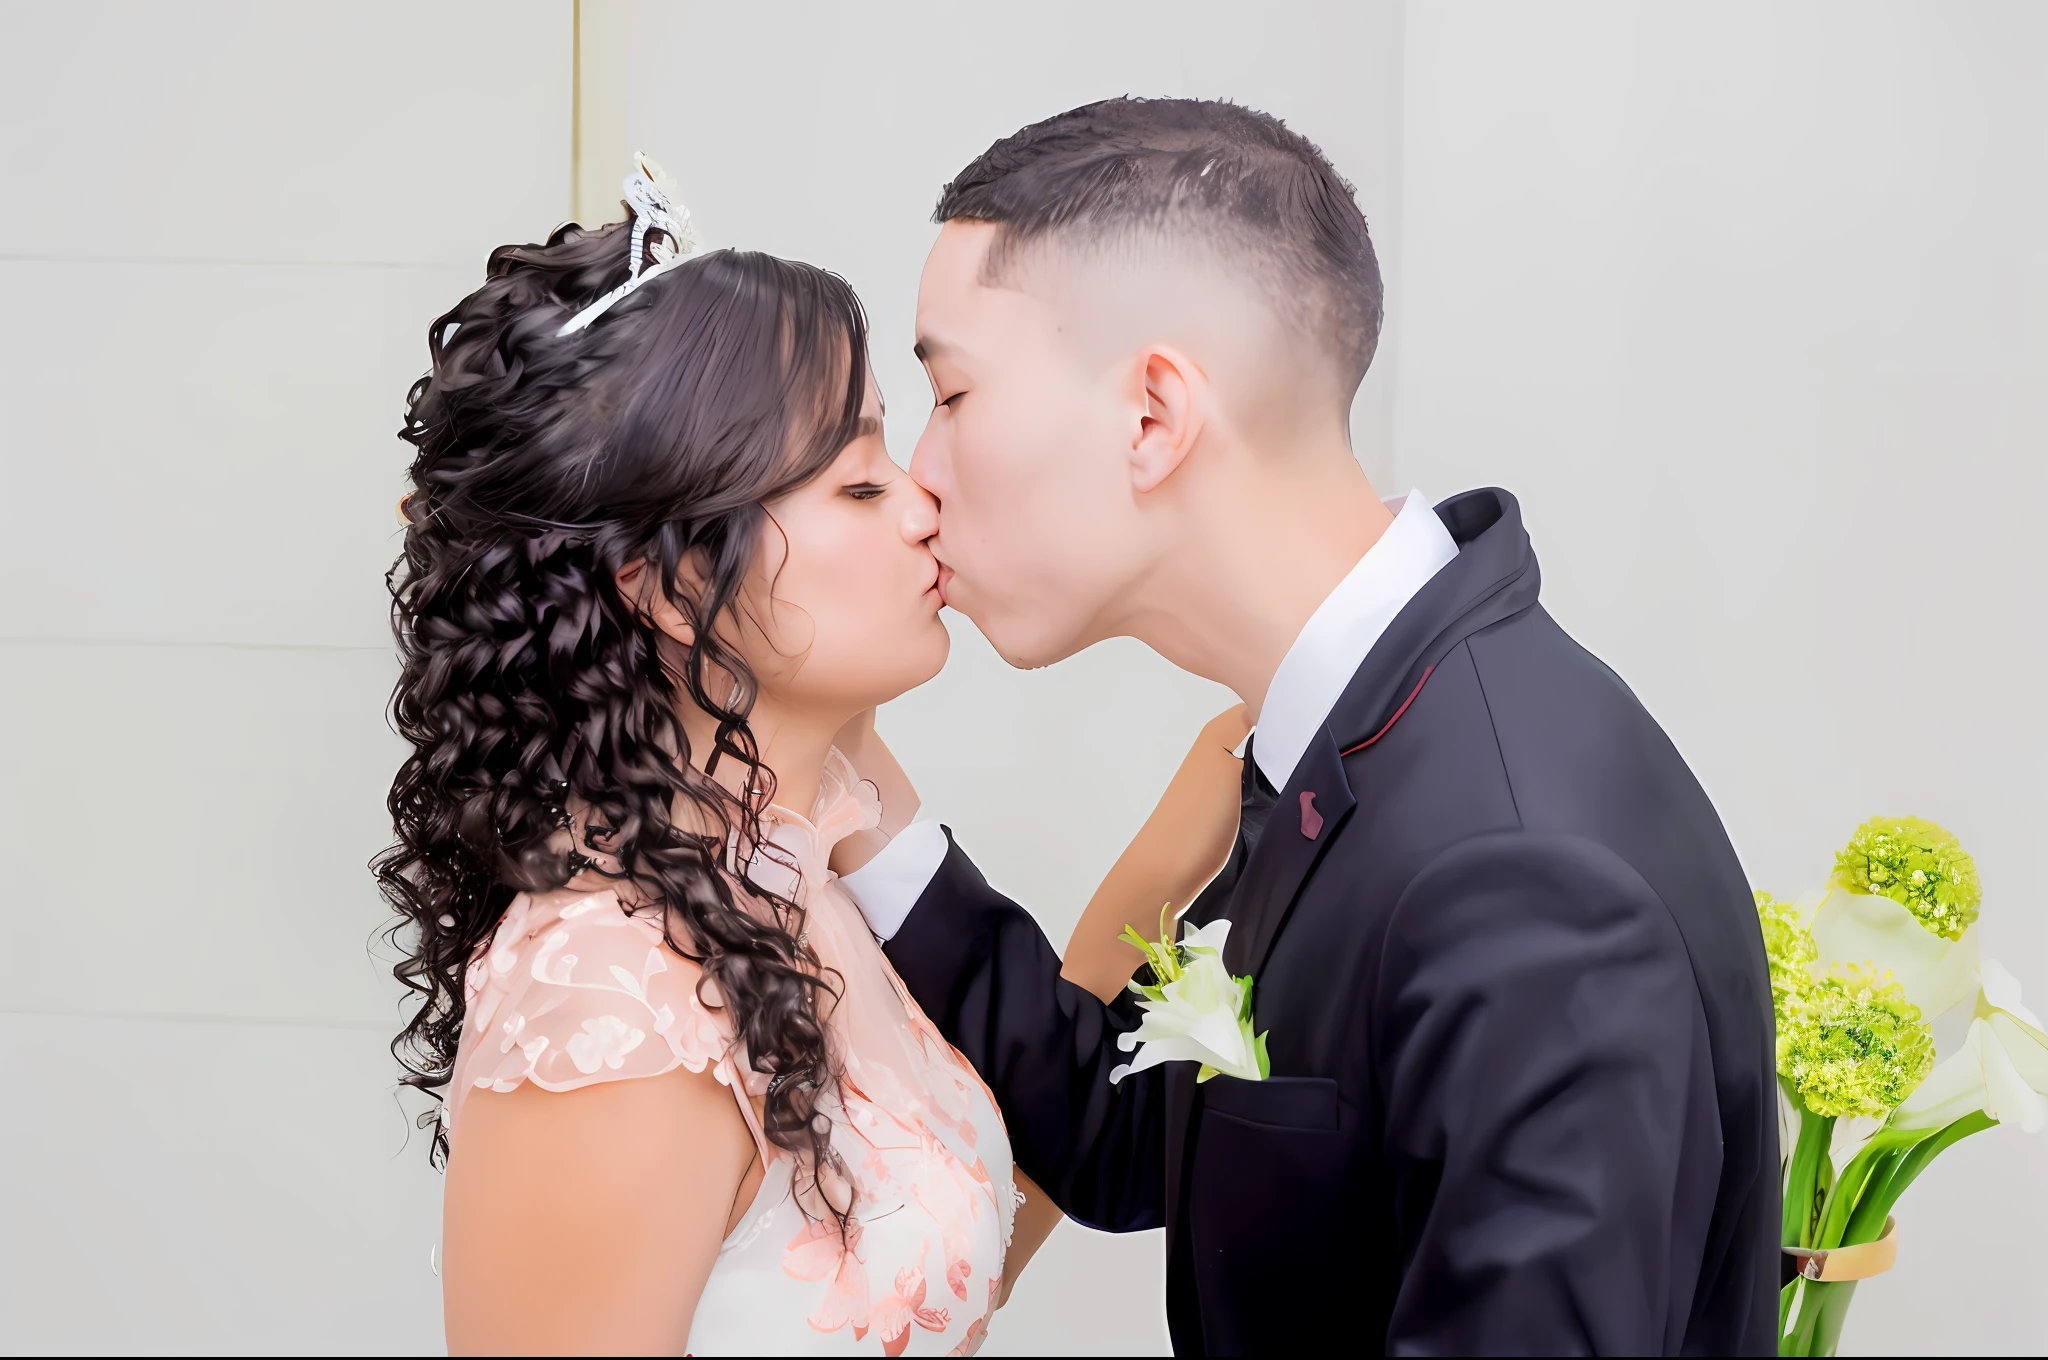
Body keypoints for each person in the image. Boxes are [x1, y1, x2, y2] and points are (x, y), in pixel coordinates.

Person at [834, 98, 1781, 1356]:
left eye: (949, 393)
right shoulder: (1361, 731)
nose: (920, 477)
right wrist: (863, 806)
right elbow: (1137, 1141)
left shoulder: (1517, 876)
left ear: (1152, 416)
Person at [374, 158, 1241, 1355]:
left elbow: (944, 1272)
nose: (924, 500)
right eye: (857, 480)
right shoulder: (608, 1003)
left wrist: (1164, 864)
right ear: (671, 586)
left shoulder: (795, 873)